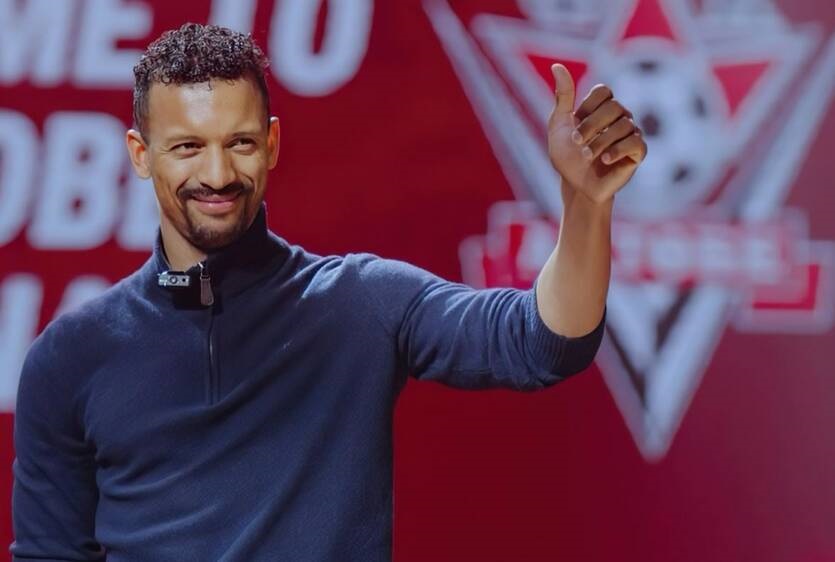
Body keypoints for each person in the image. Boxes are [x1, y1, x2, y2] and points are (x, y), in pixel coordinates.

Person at [9, 22, 646, 562]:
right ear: (140, 154)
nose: (218, 173)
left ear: (272, 143)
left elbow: (543, 341)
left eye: (239, 143)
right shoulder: (69, 358)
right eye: (187, 147)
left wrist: (585, 207)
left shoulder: (360, 302)